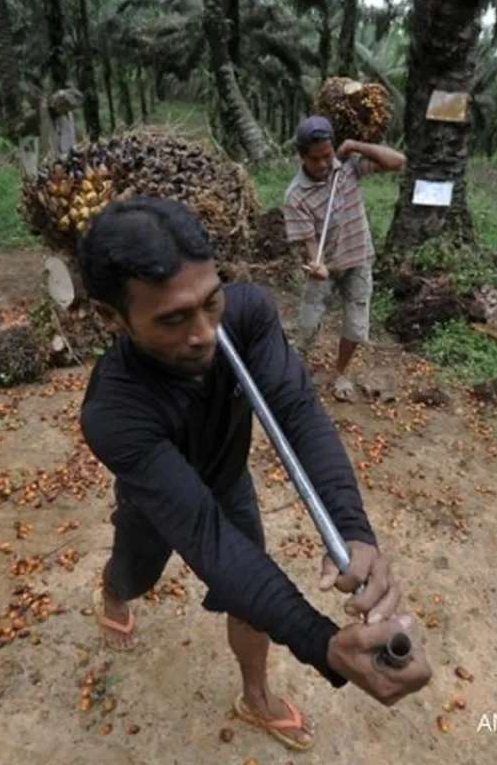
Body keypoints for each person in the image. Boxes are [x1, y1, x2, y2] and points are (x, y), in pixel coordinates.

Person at [78, 196, 431, 752]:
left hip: (228, 483)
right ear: (111, 317)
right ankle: (114, 591)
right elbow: (202, 533)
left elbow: (298, 414)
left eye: (210, 301)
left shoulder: (247, 314)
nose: (204, 333)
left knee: (247, 589)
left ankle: (256, 695)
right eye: (173, 319)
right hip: (155, 508)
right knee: (133, 576)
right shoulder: (113, 412)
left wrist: (352, 529)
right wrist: (321, 641)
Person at [283, 116, 405, 402]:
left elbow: (398, 161)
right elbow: (309, 242)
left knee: (356, 325)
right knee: (308, 322)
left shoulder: (348, 166)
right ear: (302, 156)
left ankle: (341, 372)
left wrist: (356, 145)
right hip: (326, 266)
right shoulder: (295, 195)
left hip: (359, 258)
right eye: (315, 159)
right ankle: (298, 365)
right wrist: (317, 265)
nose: (323, 164)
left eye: (327, 155)